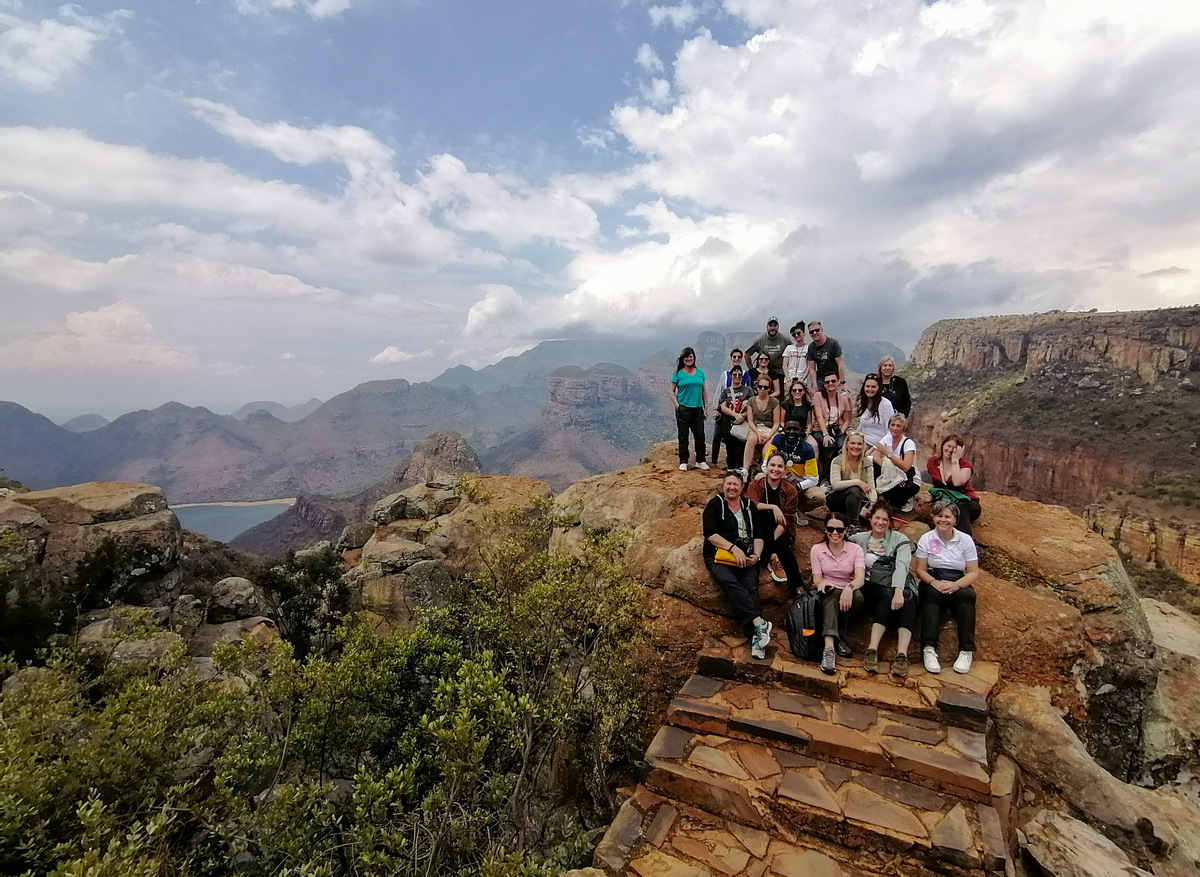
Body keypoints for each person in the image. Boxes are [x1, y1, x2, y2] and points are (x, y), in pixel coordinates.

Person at [703, 471, 772, 659]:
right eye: (728, 484)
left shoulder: (749, 506)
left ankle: (756, 638)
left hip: (747, 556)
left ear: (742, 488)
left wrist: (756, 555)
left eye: (736, 484)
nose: (732, 488)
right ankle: (759, 624)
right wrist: (733, 548)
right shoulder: (715, 505)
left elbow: (758, 535)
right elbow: (710, 534)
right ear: (723, 486)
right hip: (720, 555)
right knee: (728, 580)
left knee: (751, 587)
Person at [912, 499, 980, 674]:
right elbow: (920, 569)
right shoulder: (927, 539)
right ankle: (929, 648)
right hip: (934, 577)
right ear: (934, 518)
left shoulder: (965, 540)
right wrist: (934, 582)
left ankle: (966, 650)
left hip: (957, 579)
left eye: (947, 516)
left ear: (955, 520)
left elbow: (973, 572)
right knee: (931, 596)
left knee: (966, 597)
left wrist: (957, 585)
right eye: (939, 516)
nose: (943, 520)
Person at [850, 504, 917, 676]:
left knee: (909, 598)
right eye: (877, 518)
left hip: (892, 584)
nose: (880, 522)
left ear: (890, 522)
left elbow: (902, 566)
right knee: (887, 595)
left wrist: (898, 592)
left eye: (885, 519)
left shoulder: (899, 539)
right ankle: (872, 649)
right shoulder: (859, 539)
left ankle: (902, 654)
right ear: (870, 518)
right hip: (868, 586)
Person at [810, 511, 865, 673]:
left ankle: (836, 636)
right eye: (831, 529)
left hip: (847, 589)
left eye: (839, 530)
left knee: (858, 596)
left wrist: (849, 588)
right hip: (827, 590)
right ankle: (829, 649)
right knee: (830, 595)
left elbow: (860, 578)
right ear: (825, 530)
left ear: (846, 531)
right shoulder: (817, 550)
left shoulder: (855, 549)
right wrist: (823, 584)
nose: (835, 533)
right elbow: (816, 579)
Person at [746, 453, 806, 587]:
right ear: (766, 467)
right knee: (764, 515)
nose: (775, 469)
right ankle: (797, 585)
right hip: (758, 525)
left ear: (785, 469)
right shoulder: (755, 484)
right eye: (772, 465)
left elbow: (788, 519)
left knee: (782, 544)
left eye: (780, 466)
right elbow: (751, 504)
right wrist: (773, 507)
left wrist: (771, 540)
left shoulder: (790, 490)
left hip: (779, 529)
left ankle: (770, 554)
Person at [926, 434, 982, 536]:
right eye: (949, 446)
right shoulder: (933, 462)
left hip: (966, 501)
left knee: (957, 509)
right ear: (943, 445)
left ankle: (966, 543)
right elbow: (937, 485)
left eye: (955, 448)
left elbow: (957, 482)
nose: (951, 450)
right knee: (943, 510)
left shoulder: (965, 465)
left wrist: (955, 461)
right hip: (945, 500)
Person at [765, 420, 825, 513]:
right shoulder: (778, 439)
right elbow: (766, 463)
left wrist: (797, 487)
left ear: (801, 431)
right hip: (778, 477)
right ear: (784, 429)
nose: (791, 432)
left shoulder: (807, 449)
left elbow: (813, 479)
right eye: (788, 429)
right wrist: (777, 479)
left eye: (795, 429)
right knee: (759, 478)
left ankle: (797, 510)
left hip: (799, 483)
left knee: (819, 497)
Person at [827, 433, 877, 533]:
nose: (856, 447)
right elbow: (835, 484)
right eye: (852, 443)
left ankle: (855, 519)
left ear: (863, 446)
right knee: (855, 489)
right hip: (836, 499)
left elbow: (871, 486)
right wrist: (858, 482)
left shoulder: (867, 463)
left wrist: (872, 503)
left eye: (859, 444)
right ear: (846, 445)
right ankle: (854, 525)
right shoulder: (837, 461)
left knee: (875, 500)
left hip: (858, 501)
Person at [872, 414, 920, 513]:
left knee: (894, 498)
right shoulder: (887, 438)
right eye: (892, 425)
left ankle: (905, 499)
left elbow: (906, 466)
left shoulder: (908, 443)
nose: (895, 428)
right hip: (891, 475)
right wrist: (889, 468)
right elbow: (876, 457)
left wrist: (888, 454)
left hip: (907, 477)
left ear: (903, 428)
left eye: (898, 426)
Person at [671, 347, 709, 471]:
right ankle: (683, 461)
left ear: (694, 358)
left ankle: (701, 460)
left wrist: (706, 407)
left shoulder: (700, 373)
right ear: (683, 359)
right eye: (686, 357)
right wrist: (678, 406)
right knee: (683, 436)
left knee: (700, 435)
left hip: (698, 408)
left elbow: (704, 391)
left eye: (691, 356)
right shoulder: (678, 374)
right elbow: (671, 391)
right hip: (683, 409)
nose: (689, 359)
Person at [813, 373, 853, 486]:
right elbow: (819, 416)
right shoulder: (818, 396)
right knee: (829, 445)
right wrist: (825, 433)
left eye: (833, 381)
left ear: (838, 382)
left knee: (841, 445)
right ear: (824, 384)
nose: (830, 384)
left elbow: (847, 420)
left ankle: (840, 475)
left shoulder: (843, 399)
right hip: (820, 429)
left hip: (837, 429)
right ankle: (825, 477)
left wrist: (841, 431)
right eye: (827, 382)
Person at [742, 374, 783, 474]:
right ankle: (745, 470)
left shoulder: (774, 402)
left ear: (769, 389)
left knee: (767, 451)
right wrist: (758, 433)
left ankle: (766, 473)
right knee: (751, 440)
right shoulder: (751, 401)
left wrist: (769, 436)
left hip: (770, 429)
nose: (763, 389)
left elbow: (776, 423)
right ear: (757, 387)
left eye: (766, 387)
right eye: (761, 387)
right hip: (756, 428)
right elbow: (751, 421)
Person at [710, 349, 746, 466]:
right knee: (718, 435)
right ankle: (714, 462)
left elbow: (747, 392)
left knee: (736, 438)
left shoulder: (745, 374)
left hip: (740, 411)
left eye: (738, 357)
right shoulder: (725, 375)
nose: (736, 359)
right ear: (731, 358)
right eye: (734, 357)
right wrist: (716, 408)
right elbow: (719, 391)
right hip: (724, 410)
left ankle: (736, 464)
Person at [716, 366, 753, 469]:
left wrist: (743, 416)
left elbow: (752, 406)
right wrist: (736, 415)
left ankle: (740, 470)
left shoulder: (748, 390)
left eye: (739, 375)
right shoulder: (726, 391)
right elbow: (723, 407)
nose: (737, 376)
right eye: (735, 374)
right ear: (731, 376)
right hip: (728, 422)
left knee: (740, 447)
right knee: (729, 446)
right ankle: (731, 469)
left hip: (743, 423)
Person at [855, 373, 896, 450]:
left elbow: (890, 429)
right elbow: (862, 425)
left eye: (873, 387)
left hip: (880, 444)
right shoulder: (863, 402)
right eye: (867, 386)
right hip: (864, 441)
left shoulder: (885, 404)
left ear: (879, 388)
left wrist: (875, 449)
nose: (870, 389)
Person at [746, 317, 788, 390]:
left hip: (779, 372)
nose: (772, 328)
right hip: (762, 373)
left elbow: (792, 351)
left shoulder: (784, 339)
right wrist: (752, 369)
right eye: (770, 325)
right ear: (767, 327)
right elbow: (747, 354)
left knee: (779, 394)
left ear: (778, 327)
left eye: (774, 326)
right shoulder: (759, 339)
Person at [804, 321, 846, 389]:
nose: (815, 333)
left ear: (822, 330)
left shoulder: (833, 343)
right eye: (812, 332)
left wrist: (842, 382)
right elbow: (812, 369)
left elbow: (840, 363)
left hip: (834, 378)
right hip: (821, 379)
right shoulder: (811, 347)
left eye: (817, 330)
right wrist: (815, 385)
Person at [781, 379, 817, 444]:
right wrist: (789, 430)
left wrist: (807, 433)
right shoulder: (785, 404)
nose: (797, 392)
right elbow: (781, 422)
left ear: (803, 391)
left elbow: (809, 423)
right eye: (794, 390)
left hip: (802, 432)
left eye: (800, 390)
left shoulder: (807, 405)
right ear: (791, 392)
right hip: (788, 431)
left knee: (814, 445)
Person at [782, 323, 809, 389]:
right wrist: (788, 379)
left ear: (803, 333)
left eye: (798, 333)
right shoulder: (789, 348)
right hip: (789, 380)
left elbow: (809, 366)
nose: (796, 335)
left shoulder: (808, 349)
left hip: (802, 380)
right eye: (794, 335)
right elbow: (784, 364)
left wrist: (803, 378)